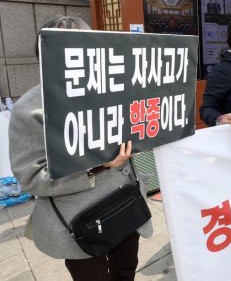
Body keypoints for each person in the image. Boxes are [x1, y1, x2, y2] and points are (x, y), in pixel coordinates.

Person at [9, 15, 152, 281]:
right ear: (45, 53)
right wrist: (97, 166)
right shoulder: (29, 109)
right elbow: (31, 177)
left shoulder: (115, 90)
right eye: (67, 46)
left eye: (86, 44)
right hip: (77, 220)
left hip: (125, 201)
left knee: (126, 270)